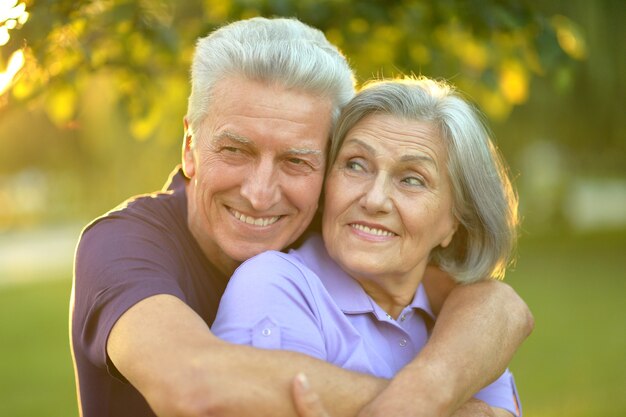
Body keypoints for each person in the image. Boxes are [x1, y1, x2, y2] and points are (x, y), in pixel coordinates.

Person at [70, 17, 533, 417]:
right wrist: (429, 404)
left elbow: (495, 305)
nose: (259, 193)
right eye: (235, 150)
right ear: (190, 147)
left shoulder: (333, 221)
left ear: (325, 166)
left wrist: (433, 385)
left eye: (296, 161)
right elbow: (198, 386)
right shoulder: (122, 244)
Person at [212, 76, 523, 417]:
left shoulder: (464, 326)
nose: (375, 200)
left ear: (455, 222)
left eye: (412, 179)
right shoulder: (274, 283)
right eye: (356, 165)